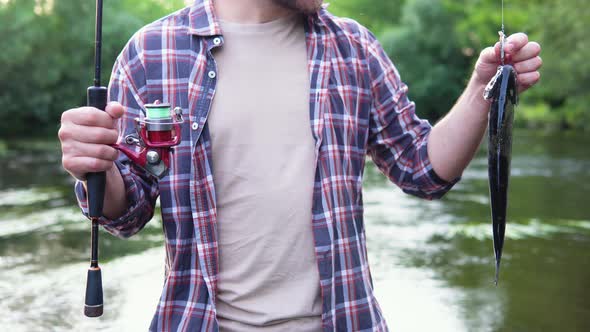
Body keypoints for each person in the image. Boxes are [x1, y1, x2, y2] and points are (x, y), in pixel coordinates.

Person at [58, 0, 542, 330]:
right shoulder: (150, 53)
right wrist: (96, 167)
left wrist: (487, 89)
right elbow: (126, 211)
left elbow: (423, 168)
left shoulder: (355, 48)